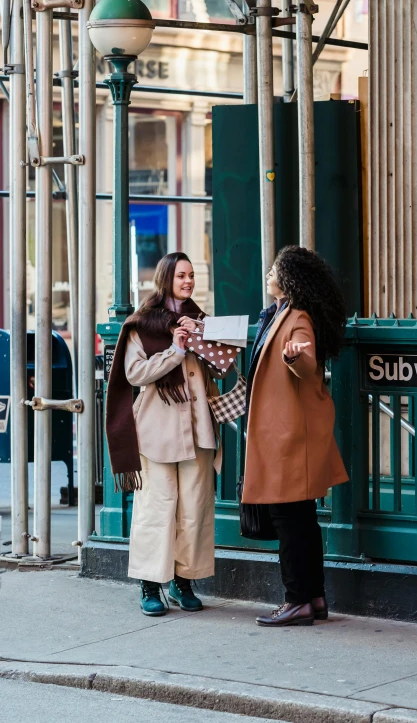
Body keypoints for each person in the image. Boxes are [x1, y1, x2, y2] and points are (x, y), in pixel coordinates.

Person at [106, 252, 221, 616]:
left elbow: (214, 369)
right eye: (181, 275)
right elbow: (135, 374)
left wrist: (215, 349)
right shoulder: (141, 324)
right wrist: (176, 349)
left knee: (194, 511)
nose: (188, 281)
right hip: (157, 431)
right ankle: (150, 584)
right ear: (166, 277)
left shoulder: (201, 320)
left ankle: (183, 580)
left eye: (191, 275)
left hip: (197, 428)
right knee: (155, 509)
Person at [242, 245, 349, 627]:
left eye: (275, 269)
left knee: (289, 519)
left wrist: (294, 356)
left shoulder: (297, 318)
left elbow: (306, 363)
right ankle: (314, 597)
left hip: (288, 436)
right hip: (285, 432)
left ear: (289, 279)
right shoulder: (280, 314)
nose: (268, 273)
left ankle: (296, 600)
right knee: (301, 518)